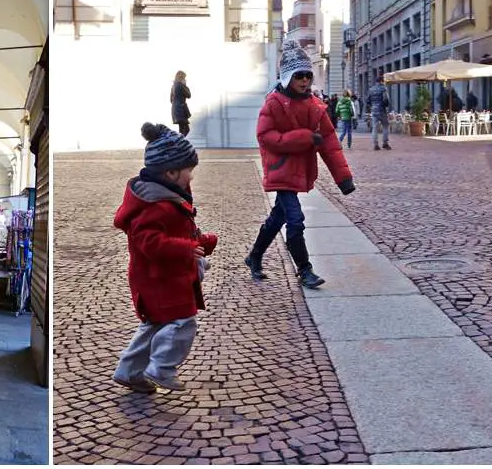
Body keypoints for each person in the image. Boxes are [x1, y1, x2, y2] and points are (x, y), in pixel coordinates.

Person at [112, 123, 218, 393]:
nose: (191, 178)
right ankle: (161, 368)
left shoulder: (166, 197)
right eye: (188, 172)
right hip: (160, 279)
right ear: (170, 172)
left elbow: (176, 232)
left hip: (161, 276)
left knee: (154, 324)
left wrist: (200, 243)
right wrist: (185, 249)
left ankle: (129, 371)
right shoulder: (156, 204)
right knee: (183, 322)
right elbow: (148, 241)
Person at [245, 43, 355, 288]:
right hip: (281, 170)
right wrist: (303, 138)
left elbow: (329, 143)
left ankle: (254, 257)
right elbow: (265, 136)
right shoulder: (273, 103)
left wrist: (343, 178)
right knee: (295, 219)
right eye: (299, 75)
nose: (305, 80)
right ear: (287, 77)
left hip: (300, 170)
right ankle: (305, 270)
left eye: (308, 75)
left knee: (278, 218)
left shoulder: (315, 105)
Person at [366, 71, 391, 151]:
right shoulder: (383, 88)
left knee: (375, 128)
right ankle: (385, 143)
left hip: (374, 110)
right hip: (382, 110)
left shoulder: (371, 89)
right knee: (385, 126)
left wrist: (371, 107)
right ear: (381, 81)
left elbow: (367, 101)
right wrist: (386, 105)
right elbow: (386, 99)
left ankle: (375, 144)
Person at [170, 70, 192, 136]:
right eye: (184, 78)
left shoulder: (173, 86)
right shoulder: (181, 85)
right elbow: (189, 95)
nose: (185, 79)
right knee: (186, 129)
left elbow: (171, 100)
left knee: (182, 129)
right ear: (181, 78)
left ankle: (179, 143)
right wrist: (185, 85)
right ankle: (179, 143)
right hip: (181, 109)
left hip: (175, 109)